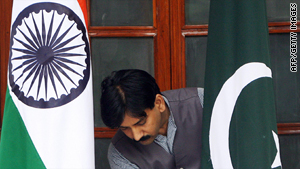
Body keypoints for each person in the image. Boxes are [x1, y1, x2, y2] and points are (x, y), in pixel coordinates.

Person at [101, 69, 204, 169]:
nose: (136, 137)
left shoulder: (201, 103)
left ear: (159, 103)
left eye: (141, 122)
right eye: (124, 128)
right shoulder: (119, 154)